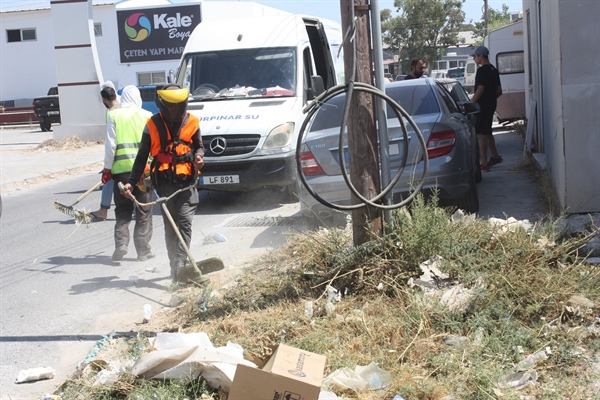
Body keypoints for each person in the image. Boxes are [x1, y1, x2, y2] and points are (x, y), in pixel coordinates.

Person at [122, 84, 204, 283]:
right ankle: (175, 269)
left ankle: (182, 266)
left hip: (187, 183)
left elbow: (199, 147)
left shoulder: (193, 122)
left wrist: (199, 157)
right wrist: (131, 182)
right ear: (163, 104)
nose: (175, 110)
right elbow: (142, 157)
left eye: (178, 106)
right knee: (171, 228)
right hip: (165, 184)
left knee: (184, 224)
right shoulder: (152, 125)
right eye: (171, 106)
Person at [103, 85, 154, 263]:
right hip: (143, 173)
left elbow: (110, 146)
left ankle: (121, 245)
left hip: (122, 173)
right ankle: (143, 251)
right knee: (144, 210)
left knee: (123, 210)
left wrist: (107, 169)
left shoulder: (114, 114)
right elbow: (154, 146)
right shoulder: (147, 116)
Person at [469, 45, 503, 172]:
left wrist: (471, 103)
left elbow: (480, 89)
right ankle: (495, 157)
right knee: (488, 131)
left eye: (475, 56)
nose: (474, 59)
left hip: (482, 106)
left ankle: (484, 163)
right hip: (491, 104)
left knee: (480, 134)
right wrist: (491, 99)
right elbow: (499, 91)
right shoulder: (494, 70)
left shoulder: (482, 71)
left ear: (481, 56)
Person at [91, 82, 119, 221]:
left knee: (109, 181)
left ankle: (103, 211)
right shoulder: (127, 110)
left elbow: (111, 143)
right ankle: (135, 211)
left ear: (104, 100)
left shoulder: (112, 114)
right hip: (134, 155)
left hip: (120, 157)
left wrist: (107, 166)